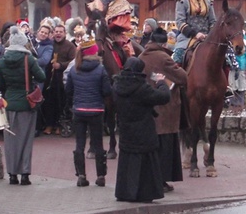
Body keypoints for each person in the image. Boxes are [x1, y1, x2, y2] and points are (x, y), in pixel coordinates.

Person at [113, 57, 171, 203]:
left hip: (126, 130)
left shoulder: (117, 86)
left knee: (127, 163)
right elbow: (164, 97)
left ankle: (125, 192)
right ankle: (144, 193)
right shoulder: (141, 88)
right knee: (145, 164)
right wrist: (161, 83)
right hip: (144, 131)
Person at [0, 27, 46, 186]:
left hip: (9, 103)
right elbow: (41, 76)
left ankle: (12, 174)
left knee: (10, 141)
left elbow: (0, 85)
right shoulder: (28, 59)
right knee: (26, 139)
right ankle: (24, 174)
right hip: (26, 104)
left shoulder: (2, 61)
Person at [139, 27, 188, 193]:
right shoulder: (164, 58)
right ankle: (161, 181)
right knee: (165, 149)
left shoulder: (141, 56)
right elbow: (182, 77)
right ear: (164, 42)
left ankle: (149, 179)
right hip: (165, 109)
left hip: (146, 107)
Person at [65, 39, 111, 187]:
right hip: (96, 110)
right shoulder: (101, 69)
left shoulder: (74, 69)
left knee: (79, 144)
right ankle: (100, 175)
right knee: (98, 144)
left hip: (79, 110)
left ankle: (81, 176)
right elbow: (106, 91)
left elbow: (68, 90)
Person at [172, 0, 216, 64]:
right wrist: (195, 34)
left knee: (228, 60)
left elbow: (213, 22)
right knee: (177, 60)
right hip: (187, 38)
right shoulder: (182, 2)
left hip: (207, 37)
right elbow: (180, 22)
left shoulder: (209, 2)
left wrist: (210, 34)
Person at [42, 22, 76, 136]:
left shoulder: (70, 46)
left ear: (65, 33)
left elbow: (73, 62)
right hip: (49, 80)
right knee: (48, 103)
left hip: (62, 80)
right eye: (56, 32)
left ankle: (59, 126)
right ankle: (49, 124)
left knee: (61, 103)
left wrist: (60, 65)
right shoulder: (50, 44)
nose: (58, 34)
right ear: (53, 33)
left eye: (60, 32)